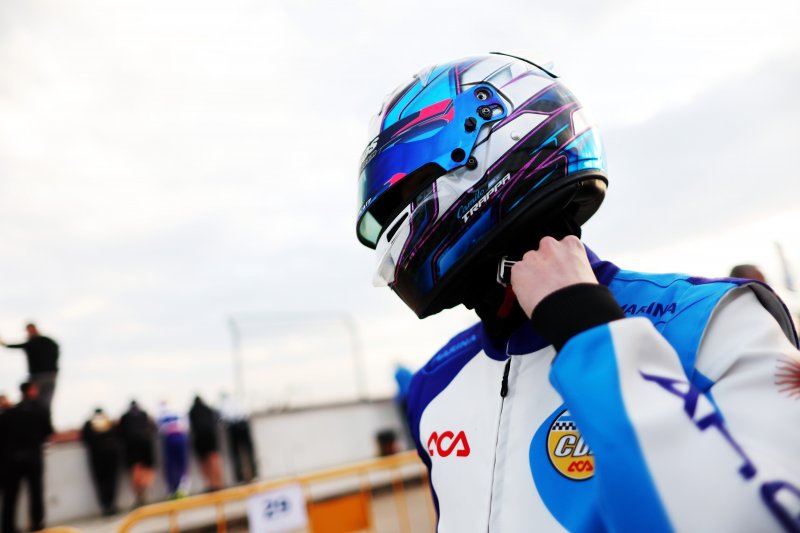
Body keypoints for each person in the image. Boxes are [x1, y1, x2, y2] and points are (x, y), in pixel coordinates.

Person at [355, 52, 800, 532]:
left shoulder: (713, 322)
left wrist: (589, 331)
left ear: (482, 151)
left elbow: (765, 520)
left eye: (406, 194)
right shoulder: (435, 383)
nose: (397, 225)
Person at [0, 382, 53, 533]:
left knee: (10, 496)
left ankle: (8, 528)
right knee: (36, 492)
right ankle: (37, 525)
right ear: (31, 391)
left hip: (11, 460)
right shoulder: (40, 410)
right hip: (33, 457)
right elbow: (48, 431)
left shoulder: (10, 412)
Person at [0, 323, 59, 413]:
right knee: (45, 401)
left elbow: (17, 345)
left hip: (39, 375)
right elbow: (56, 348)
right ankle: (43, 416)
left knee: (29, 399)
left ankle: (24, 415)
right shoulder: (48, 341)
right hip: (51, 374)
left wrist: (4, 344)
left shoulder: (33, 342)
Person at [81, 407, 121, 516]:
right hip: (111, 456)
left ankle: (105, 506)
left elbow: (85, 439)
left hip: (97, 458)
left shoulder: (89, 424)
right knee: (111, 481)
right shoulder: (109, 422)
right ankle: (111, 505)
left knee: (100, 483)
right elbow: (117, 435)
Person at [118, 400, 156, 508]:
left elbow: (120, 432)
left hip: (131, 449)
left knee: (135, 473)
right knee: (146, 472)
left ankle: (140, 496)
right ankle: (143, 494)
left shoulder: (125, 417)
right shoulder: (144, 415)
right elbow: (153, 427)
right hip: (145, 447)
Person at [219, 393, 257, 484]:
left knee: (237, 453)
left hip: (234, 427)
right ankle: (252, 475)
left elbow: (223, 418)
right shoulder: (236, 400)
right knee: (247, 451)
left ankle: (241, 477)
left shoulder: (223, 404)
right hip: (242, 425)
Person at [188, 395, 223, 491]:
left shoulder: (192, 411)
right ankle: (218, 483)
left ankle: (208, 484)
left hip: (199, 437)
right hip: (210, 436)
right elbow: (217, 420)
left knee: (204, 462)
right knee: (213, 458)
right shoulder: (208, 409)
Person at [157, 401, 189, 498]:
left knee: (173, 465)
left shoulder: (161, 414)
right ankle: (179, 488)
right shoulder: (178, 411)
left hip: (172, 439)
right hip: (177, 438)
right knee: (177, 464)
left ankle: (175, 488)